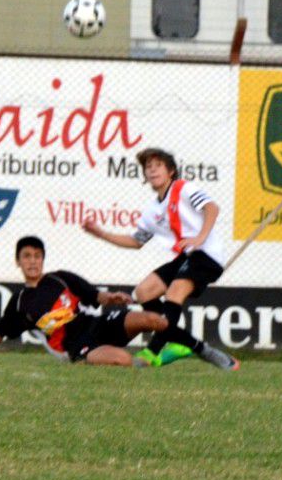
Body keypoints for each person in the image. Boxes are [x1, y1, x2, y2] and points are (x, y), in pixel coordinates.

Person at [83, 147, 239, 371]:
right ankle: (181, 343)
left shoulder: (183, 188)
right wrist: (102, 234)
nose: (152, 169)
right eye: (148, 166)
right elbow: (137, 242)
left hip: (206, 255)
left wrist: (200, 236)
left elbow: (212, 208)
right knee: (144, 292)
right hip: (186, 257)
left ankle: (153, 351)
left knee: (175, 291)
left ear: (171, 171)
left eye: (158, 165)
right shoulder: (152, 211)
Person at [0, 236, 168, 367]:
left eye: (37, 256)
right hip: (74, 345)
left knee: (153, 320)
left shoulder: (60, 278)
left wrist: (112, 298)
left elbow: (97, 296)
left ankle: (170, 352)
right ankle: (137, 365)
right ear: (18, 261)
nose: (32, 261)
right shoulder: (20, 303)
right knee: (122, 359)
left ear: (43, 259)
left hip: (96, 324)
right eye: (26, 256)